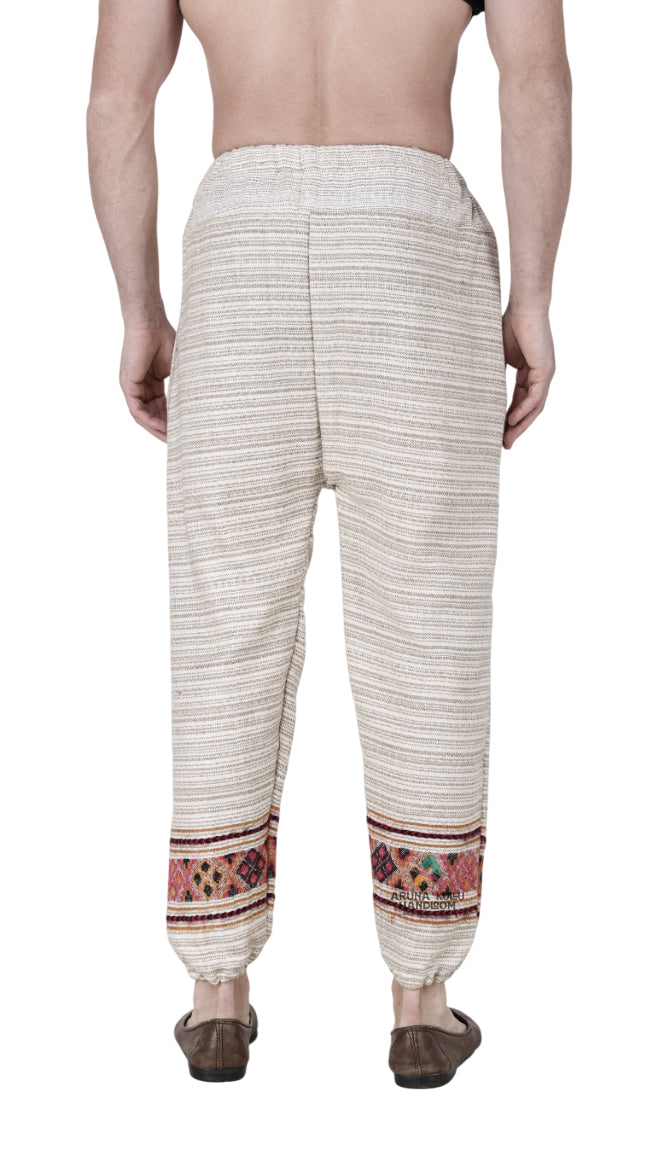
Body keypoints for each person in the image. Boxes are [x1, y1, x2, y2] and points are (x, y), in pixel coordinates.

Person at [87, 0, 571, 1088]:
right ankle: (420, 1000)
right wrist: (533, 298)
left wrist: (139, 310)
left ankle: (216, 990)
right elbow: (534, 83)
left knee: (223, 624)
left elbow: (118, 100)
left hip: (239, 243)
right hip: (412, 243)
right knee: (427, 626)